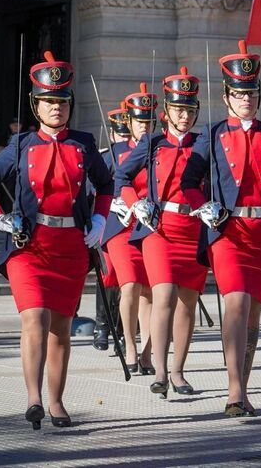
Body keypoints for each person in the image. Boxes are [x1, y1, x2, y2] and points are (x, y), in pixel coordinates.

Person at [0, 51, 112, 430]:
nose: (56, 108)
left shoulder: (84, 143)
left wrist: (100, 218)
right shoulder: (20, 144)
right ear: (36, 104)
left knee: (62, 329)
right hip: (29, 246)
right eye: (49, 102)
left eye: (62, 102)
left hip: (69, 247)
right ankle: (33, 398)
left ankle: (56, 401)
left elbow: (106, 184)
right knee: (34, 317)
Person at [181, 41, 261, 417]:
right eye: (239, 93)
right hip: (228, 232)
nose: (247, 99)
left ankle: (243, 388)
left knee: (253, 314)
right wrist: (203, 209)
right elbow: (188, 181)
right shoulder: (211, 134)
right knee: (236, 303)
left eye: (252, 92)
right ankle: (232, 391)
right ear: (227, 96)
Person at [116, 66, 209, 399]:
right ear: (166, 111)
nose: (184, 116)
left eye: (189, 109)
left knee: (187, 303)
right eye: (178, 109)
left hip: (194, 228)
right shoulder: (152, 143)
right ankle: (158, 371)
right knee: (164, 294)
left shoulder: (205, 143)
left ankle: (179, 372)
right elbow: (122, 177)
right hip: (160, 229)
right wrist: (134, 203)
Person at [101, 84, 156, 375]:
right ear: (129, 122)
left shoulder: (158, 148)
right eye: (138, 122)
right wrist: (112, 204)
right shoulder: (113, 152)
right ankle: (130, 345)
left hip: (148, 227)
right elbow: (94, 189)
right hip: (121, 228)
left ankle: (148, 351)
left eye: (148, 121)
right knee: (130, 284)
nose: (143, 127)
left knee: (149, 290)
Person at [92, 104, 129, 351]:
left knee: (129, 280)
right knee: (108, 275)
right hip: (112, 220)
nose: (124, 139)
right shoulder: (106, 156)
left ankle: (123, 331)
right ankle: (102, 326)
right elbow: (93, 187)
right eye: (120, 134)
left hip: (134, 222)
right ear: (113, 133)